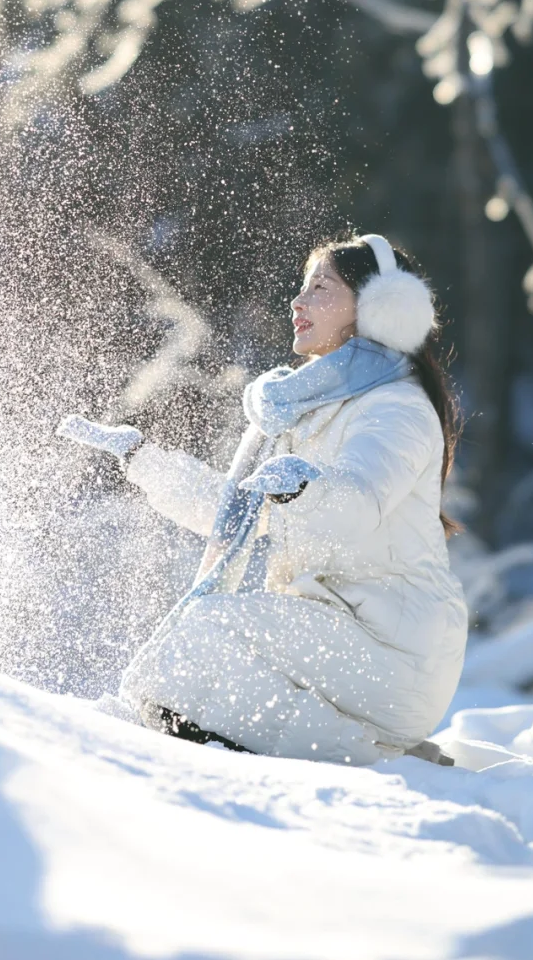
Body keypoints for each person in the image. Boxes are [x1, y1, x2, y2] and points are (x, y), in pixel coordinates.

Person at [59, 234, 469, 765]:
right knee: (194, 659)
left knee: (205, 637)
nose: (298, 302)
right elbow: (240, 511)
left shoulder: (397, 409)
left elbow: (357, 504)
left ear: (377, 309)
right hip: (335, 635)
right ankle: (373, 754)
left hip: (395, 651)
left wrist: (304, 487)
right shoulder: (308, 407)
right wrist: (143, 460)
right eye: (303, 286)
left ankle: (369, 759)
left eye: (320, 288)